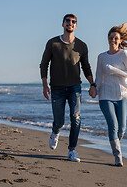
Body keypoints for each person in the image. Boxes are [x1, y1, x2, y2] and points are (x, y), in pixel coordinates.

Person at [40, 13, 97, 162]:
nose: (70, 23)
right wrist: (45, 85)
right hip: (57, 88)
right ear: (63, 24)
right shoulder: (53, 43)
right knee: (59, 121)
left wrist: (92, 84)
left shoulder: (82, 46)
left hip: (75, 87)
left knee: (76, 118)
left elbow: (86, 66)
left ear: (76, 26)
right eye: (67, 21)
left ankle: (72, 151)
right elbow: (44, 64)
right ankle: (55, 131)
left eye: (73, 22)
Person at [94, 22, 127, 167]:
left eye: (116, 38)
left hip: (122, 95)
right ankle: (118, 156)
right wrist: (95, 89)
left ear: (120, 41)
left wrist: (114, 70)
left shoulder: (124, 54)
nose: (113, 40)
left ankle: (115, 143)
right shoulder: (101, 57)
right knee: (112, 126)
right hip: (105, 96)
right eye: (111, 38)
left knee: (122, 128)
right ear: (107, 39)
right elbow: (99, 77)